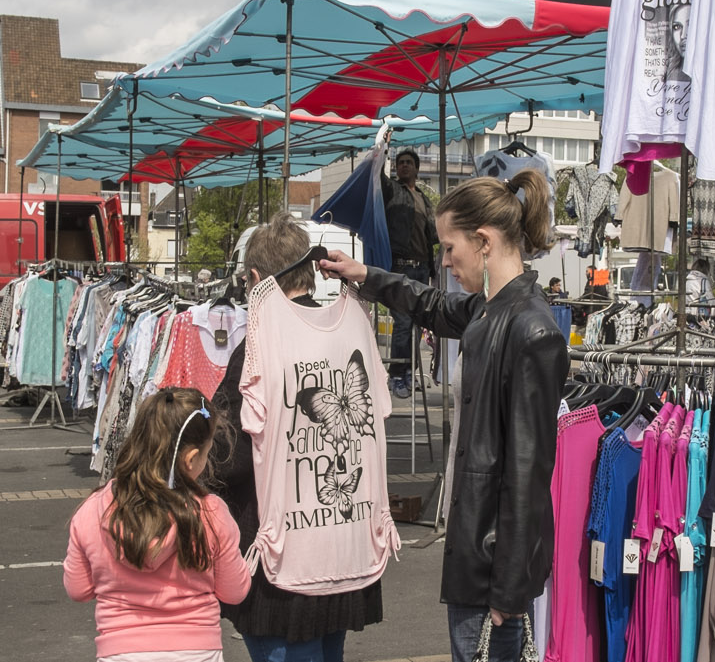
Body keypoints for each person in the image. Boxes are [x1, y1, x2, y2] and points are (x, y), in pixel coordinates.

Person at [318, 168, 567, 662]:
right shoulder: (490, 308)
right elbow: (430, 304)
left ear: (484, 241)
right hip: (477, 555)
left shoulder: (532, 331)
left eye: (451, 248)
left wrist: (508, 590)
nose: (446, 261)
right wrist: (366, 276)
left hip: (492, 570)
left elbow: (528, 473)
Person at [207, 213, 383, 662]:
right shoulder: (348, 330)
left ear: (254, 279)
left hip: (280, 565)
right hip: (343, 545)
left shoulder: (261, 344)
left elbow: (229, 454)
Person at [64, 386, 251, 662]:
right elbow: (234, 592)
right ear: (190, 459)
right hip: (197, 652)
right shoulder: (211, 513)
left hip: (120, 652)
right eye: (207, 452)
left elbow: (78, 590)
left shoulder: (94, 511)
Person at [382, 148, 437, 398]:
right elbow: (378, 180)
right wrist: (382, 149)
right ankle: (396, 374)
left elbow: (432, 235)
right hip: (400, 266)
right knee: (403, 321)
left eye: (408, 163)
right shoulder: (392, 190)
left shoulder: (424, 199)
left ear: (416, 168)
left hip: (421, 268)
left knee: (417, 323)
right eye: (399, 163)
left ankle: (407, 371)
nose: (403, 166)